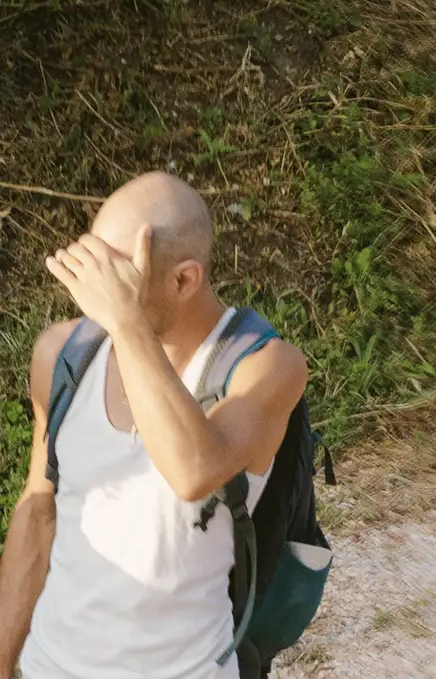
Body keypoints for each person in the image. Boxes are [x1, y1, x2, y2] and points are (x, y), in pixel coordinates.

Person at [0, 172, 308, 679]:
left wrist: (127, 323)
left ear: (184, 279)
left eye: (117, 280)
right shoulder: (62, 355)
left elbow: (193, 470)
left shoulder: (265, 368)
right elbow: (38, 515)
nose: (95, 299)